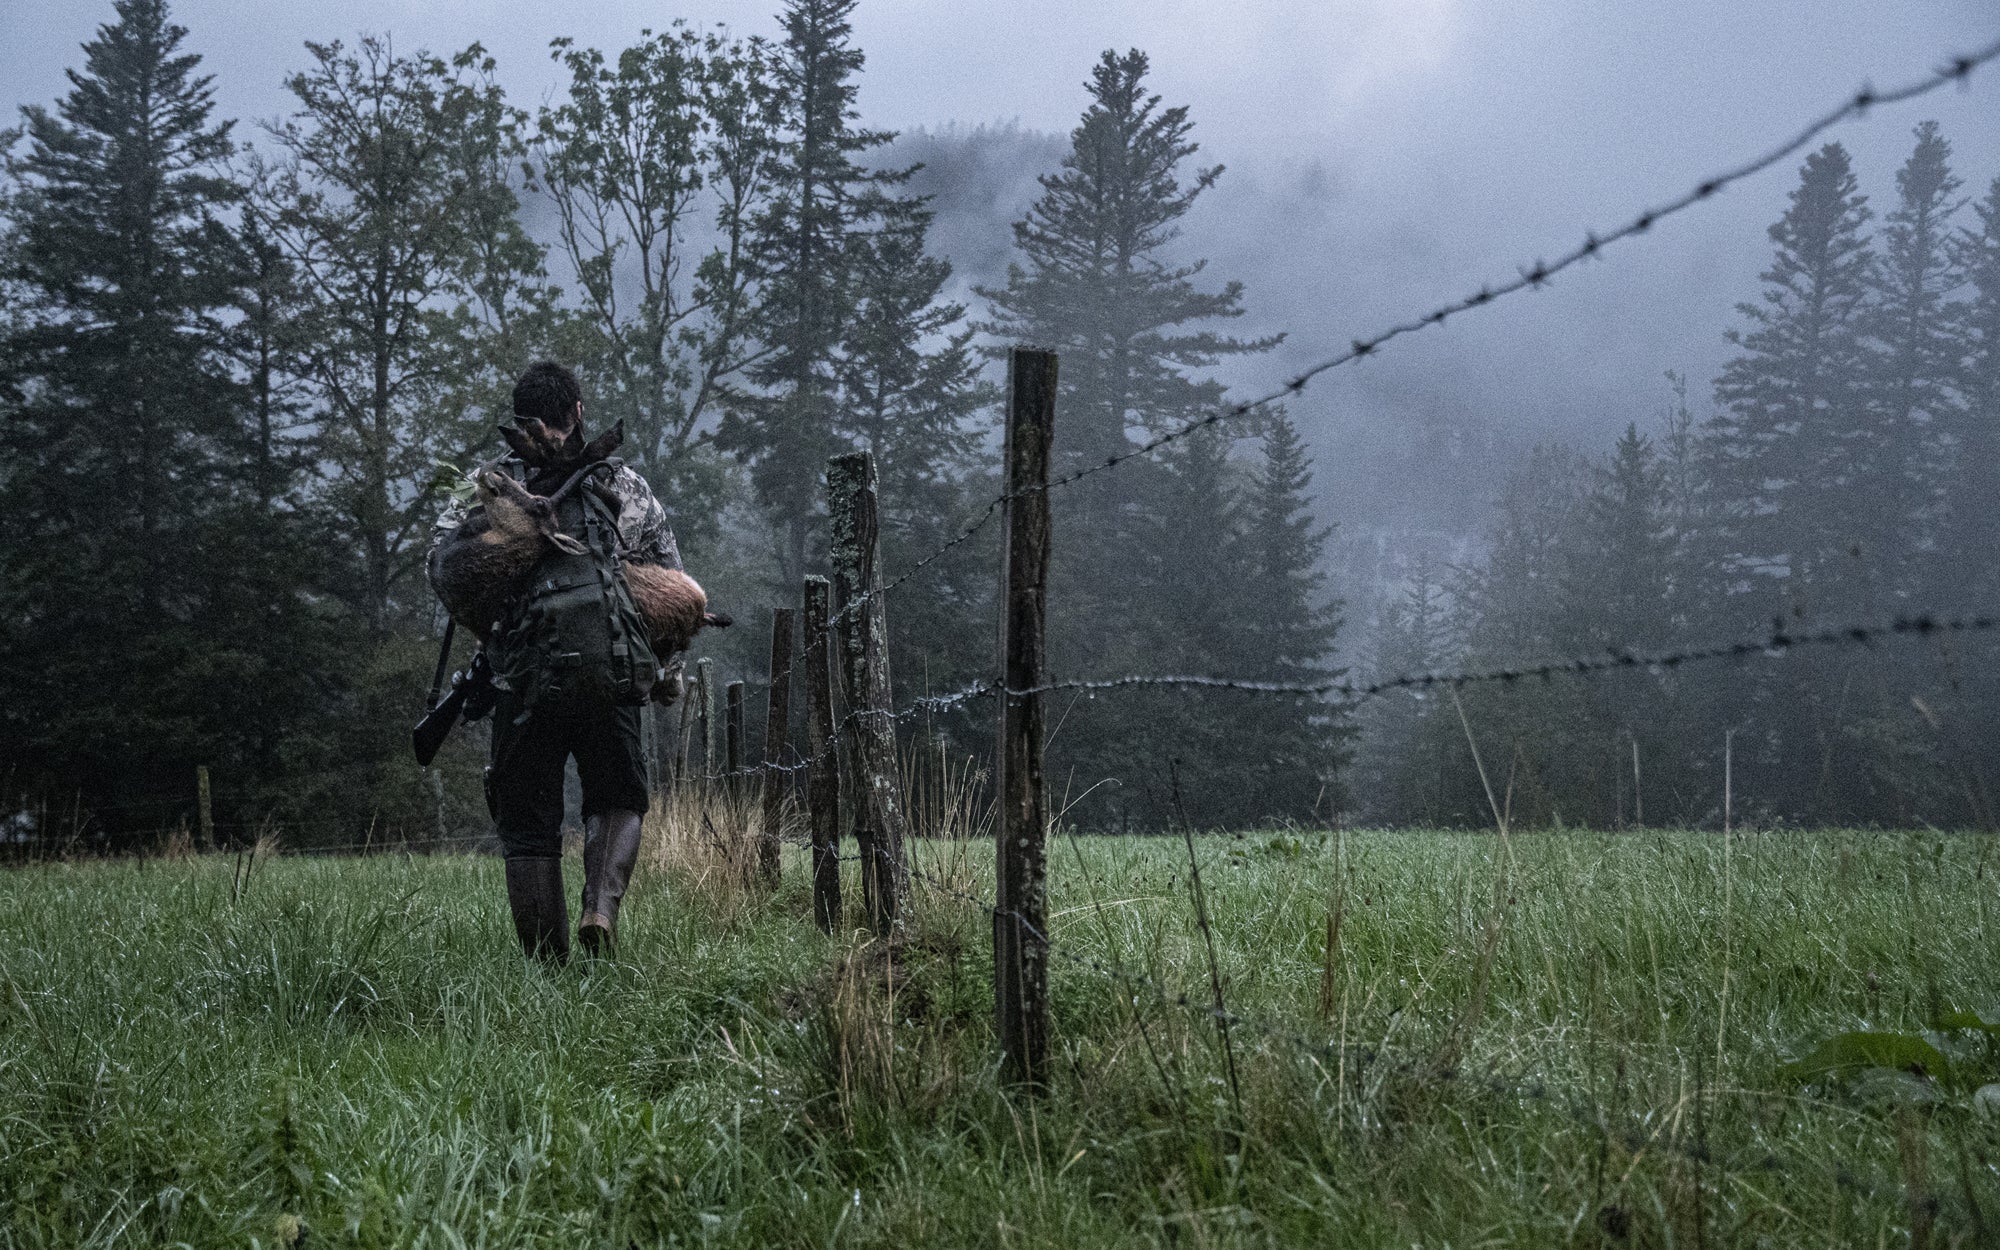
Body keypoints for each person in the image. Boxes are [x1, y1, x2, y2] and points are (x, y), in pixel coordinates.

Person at [433, 361, 683, 963]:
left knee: (527, 826)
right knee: (617, 797)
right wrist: (662, 676)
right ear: (577, 412)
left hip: (522, 682)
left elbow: (442, 574)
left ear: (520, 421)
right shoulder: (623, 486)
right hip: (609, 675)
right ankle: (600, 909)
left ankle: (548, 971)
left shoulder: (485, 488)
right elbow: (671, 585)